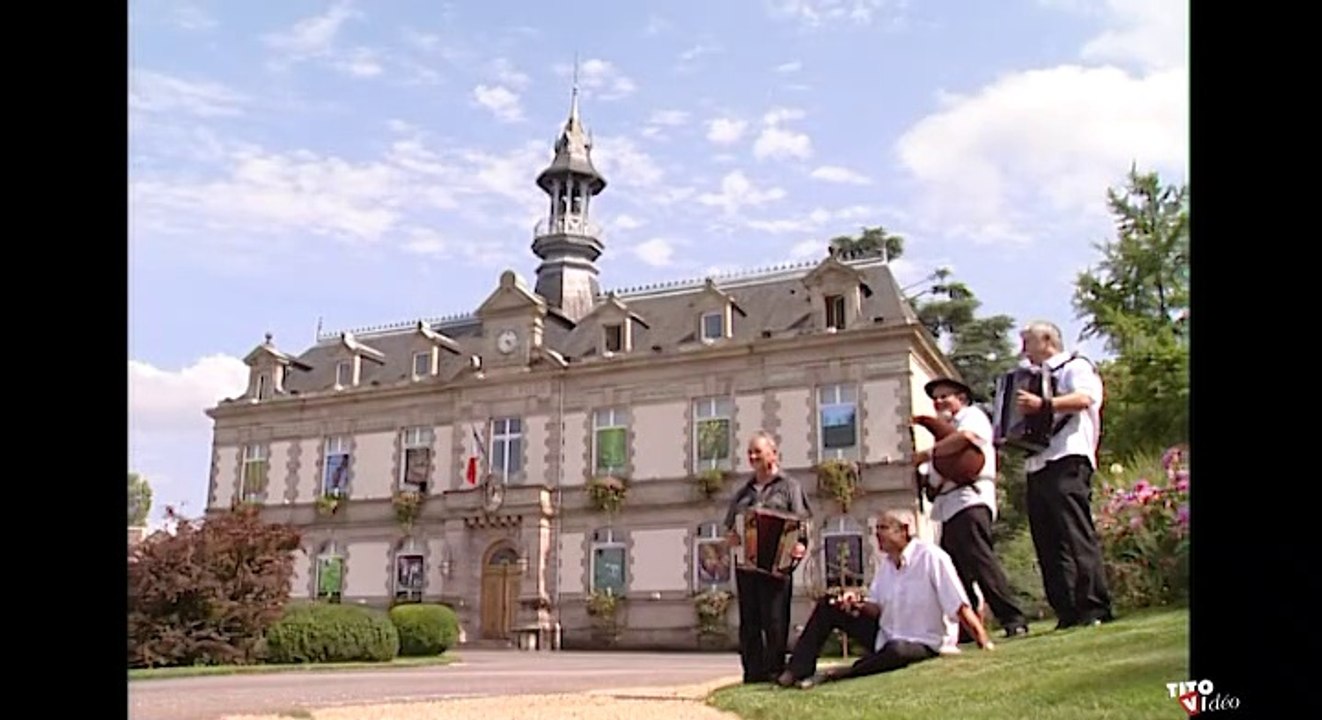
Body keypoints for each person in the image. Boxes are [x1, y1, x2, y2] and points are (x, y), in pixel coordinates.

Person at [775, 510, 994, 689]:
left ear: (905, 531)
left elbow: (959, 605)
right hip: (886, 635)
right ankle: (796, 670)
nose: (877, 534)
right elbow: (876, 608)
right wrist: (855, 603)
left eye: (884, 528)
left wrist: (983, 641)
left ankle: (839, 674)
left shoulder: (932, 558)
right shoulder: (887, 565)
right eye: (876, 528)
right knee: (828, 605)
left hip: (923, 642)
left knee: (896, 651)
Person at [1016, 321, 1114, 629]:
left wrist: (1043, 405)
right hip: (1038, 463)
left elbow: (1085, 399)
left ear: (1046, 341)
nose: (1023, 351)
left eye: (1027, 343)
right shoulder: (1031, 377)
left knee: (1075, 533)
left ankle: (1095, 605)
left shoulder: (1075, 366)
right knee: (1047, 541)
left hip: (1068, 456)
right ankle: (1067, 610)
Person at [914, 377, 1029, 639]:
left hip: (970, 498)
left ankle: (1012, 618)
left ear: (961, 398)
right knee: (955, 570)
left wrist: (927, 455)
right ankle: (968, 628)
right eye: (937, 398)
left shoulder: (971, 416)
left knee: (980, 561)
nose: (940, 401)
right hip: (948, 505)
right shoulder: (944, 433)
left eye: (946, 396)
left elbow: (966, 440)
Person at [722, 431, 812, 684]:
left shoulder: (790, 487)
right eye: (750, 453)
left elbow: (803, 523)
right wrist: (732, 539)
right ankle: (752, 673)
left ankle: (774, 671)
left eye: (757, 452)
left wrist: (801, 547)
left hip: (778, 564)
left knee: (775, 620)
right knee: (749, 622)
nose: (752, 457)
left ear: (773, 453)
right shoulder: (743, 493)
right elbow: (730, 526)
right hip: (747, 565)